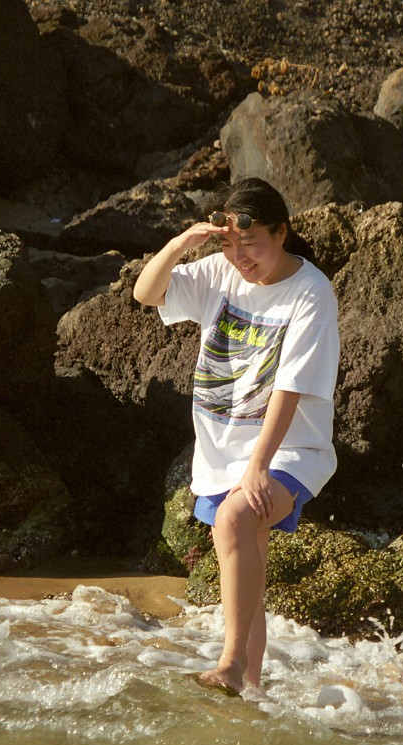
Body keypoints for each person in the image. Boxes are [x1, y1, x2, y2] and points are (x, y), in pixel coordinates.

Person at [133, 177, 339, 695]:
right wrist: (183, 244)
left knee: (232, 518)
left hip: (292, 446)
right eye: (228, 244)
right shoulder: (217, 272)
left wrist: (259, 467)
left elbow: (289, 389)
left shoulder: (311, 292)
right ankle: (251, 689)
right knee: (248, 564)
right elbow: (145, 292)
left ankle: (227, 664)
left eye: (250, 243)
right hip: (224, 449)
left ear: (282, 231)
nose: (239, 256)